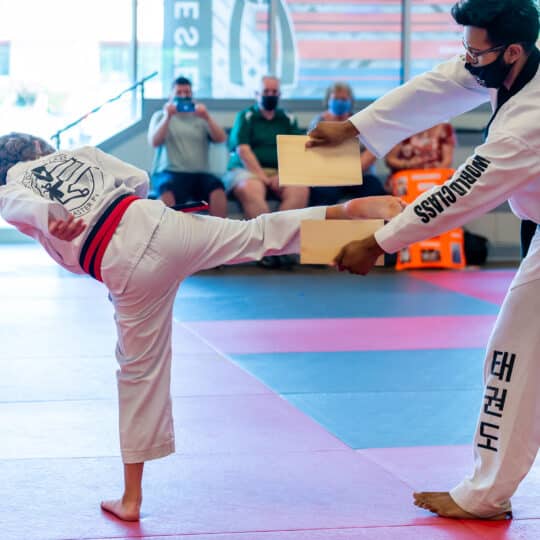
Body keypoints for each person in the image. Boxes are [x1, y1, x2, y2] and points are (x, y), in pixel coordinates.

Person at [0, 132, 405, 522]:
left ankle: (131, 498)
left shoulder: (11, 186)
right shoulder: (81, 151)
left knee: (139, 373)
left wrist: (51, 214)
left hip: (120, 262)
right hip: (156, 220)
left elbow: (18, 203)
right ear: (40, 146)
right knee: (256, 235)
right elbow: (139, 180)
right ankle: (346, 214)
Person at [307, 0, 540, 522]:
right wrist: (355, 128)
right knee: (514, 353)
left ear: (514, 52)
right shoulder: (506, 65)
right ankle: (486, 493)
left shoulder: (529, 121)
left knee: (514, 354)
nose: (467, 58)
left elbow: (462, 191)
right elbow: (442, 83)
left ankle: (484, 494)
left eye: (475, 50)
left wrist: (379, 241)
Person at [224, 75, 309, 268]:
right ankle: (265, 250)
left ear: (279, 94)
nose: (270, 95)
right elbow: (243, 150)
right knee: (250, 188)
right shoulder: (245, 117)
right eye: (266, 92)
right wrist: (263, 177)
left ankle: (283, 247)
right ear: (257, 94)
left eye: (274, 92)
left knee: (300, 190)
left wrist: (283, 174)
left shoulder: (287, 118)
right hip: (247, 170)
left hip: (280, 171)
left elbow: (297, 149)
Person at [148, 76, 228, 217]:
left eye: (187, 92)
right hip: (169, 172)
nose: (183, 96)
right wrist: (168, 116)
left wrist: (207, 117)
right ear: (171, 96)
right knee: (166, 191)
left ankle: (221, 234)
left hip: (199, 174)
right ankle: (172, 235)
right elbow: (154, 142)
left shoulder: (201, 117)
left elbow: (221, 139)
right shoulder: (160, 116)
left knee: (217, 189)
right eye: (179, 92)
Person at [308, 81, 386, 206]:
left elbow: (372, 150)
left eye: (344, 99)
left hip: (360, 175)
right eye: (336, 99)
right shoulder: (318, 122)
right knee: (322, 194)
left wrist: (354, 170)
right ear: (328, 100)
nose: (340, 102)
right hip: (328, 176)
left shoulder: (360, 122)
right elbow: (312, 150)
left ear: (350, 101)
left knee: (374, 189)